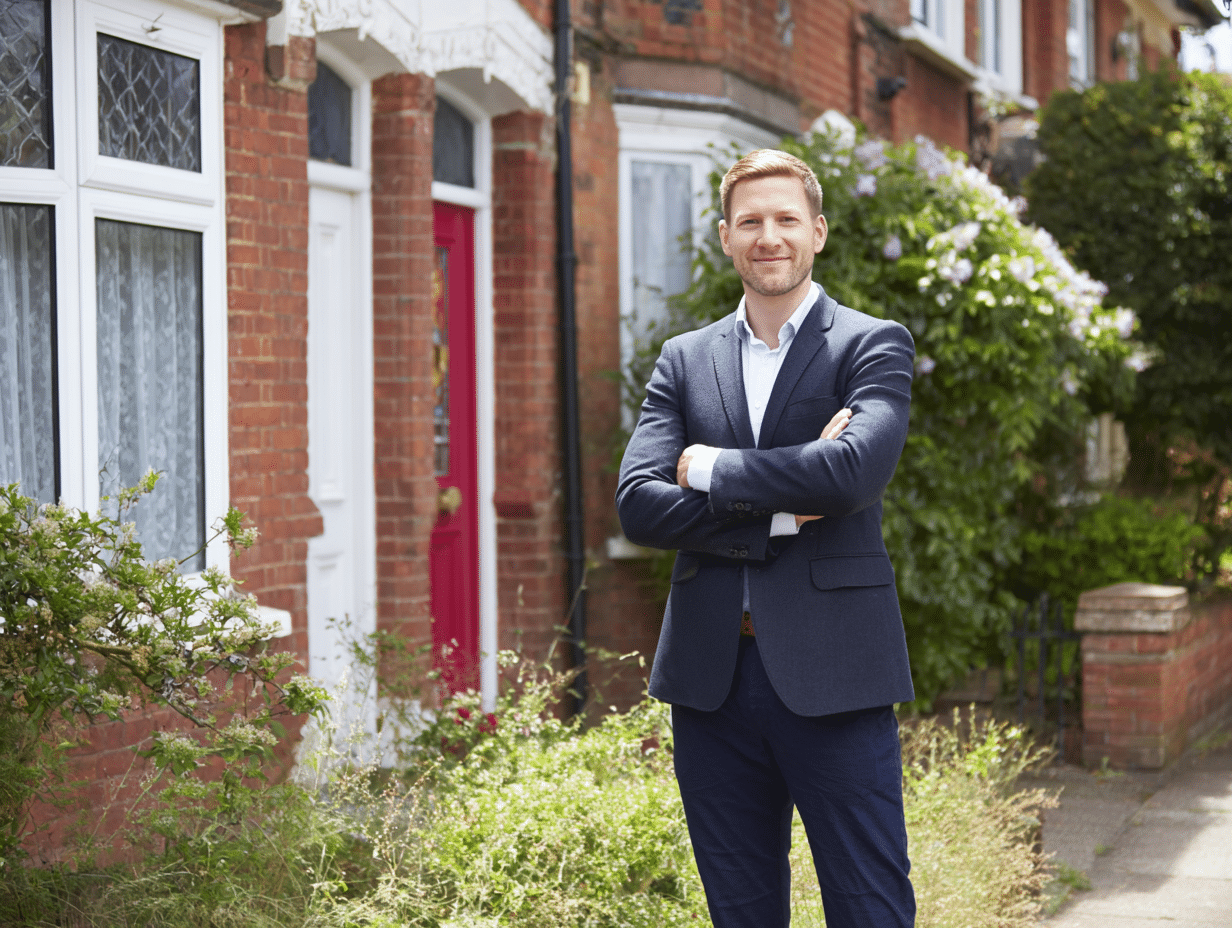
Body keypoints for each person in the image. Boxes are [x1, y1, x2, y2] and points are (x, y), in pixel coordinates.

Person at [616, 148, 916, 928]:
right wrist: (782, 506)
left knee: (870, 907)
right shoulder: (685, 360)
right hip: (711, 681)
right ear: (726, 236)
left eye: (786, 219)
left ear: (817, 231)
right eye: (750, 221)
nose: (768, 235)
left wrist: (712, 467)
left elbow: (851, 476)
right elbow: (640, 506)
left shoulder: (871, 344)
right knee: (740, 911)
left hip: (837, 675)